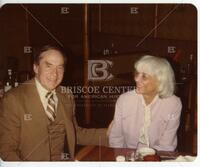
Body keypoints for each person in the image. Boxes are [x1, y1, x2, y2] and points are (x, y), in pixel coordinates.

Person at [0, 45, 108, 161]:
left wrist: (114, 134)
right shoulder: (13, 99)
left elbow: (76, 133)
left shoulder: (66, 95)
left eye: (60, 68)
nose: (55, 74)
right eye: (48, 66)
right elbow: (7, 150)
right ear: (36, 68)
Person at [109, 55, 182, 151]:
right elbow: (116, 138)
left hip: (158, 157)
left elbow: (167, 145)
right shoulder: (124, 100)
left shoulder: (173, 104)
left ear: (160, 80)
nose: (136, 79)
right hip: (128, 157)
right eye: (137, 74)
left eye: (144, 76)